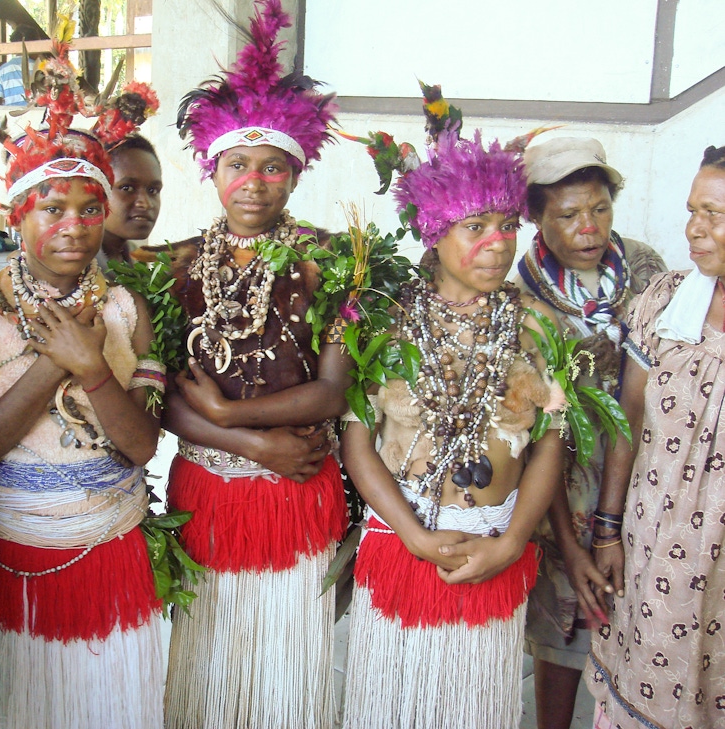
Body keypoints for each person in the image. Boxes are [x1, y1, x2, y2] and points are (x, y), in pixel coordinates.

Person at [0, 43, 164, 727]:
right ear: (16, 215)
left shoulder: (128, 308)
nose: (73, 226)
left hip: (111, 540)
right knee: (33, 705)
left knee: (111, 701)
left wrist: (95, 366)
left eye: (90, 206)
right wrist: (57, 360)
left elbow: (142, 446)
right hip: (20, 551)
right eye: (51, 207)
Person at [339, 94, 567, 729]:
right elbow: (358, 442)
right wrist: (411, 534)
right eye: (476, 228)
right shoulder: (384, 323)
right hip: (400, 540)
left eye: (507, 227)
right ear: (433, 231)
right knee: (392, 701)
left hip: (496, 542)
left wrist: (515, 540)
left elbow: (552, 443)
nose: (498, 244)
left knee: (473, 703)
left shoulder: (535, 325)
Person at [163, 1, 349, 726]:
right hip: (207, 489)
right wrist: (245, 440)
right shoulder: (176, 266)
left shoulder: (334, 262)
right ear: (212, 169)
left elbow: (331, 392)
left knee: (284, 659)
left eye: (274, 167)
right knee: (209, 653)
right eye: (237, 164)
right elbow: (162, 401)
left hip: (297, 490)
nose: (255, 182)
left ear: (296, 175)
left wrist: (230, 410)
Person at [514, 137, 667, 729]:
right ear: (535, 216)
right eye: (569, 214)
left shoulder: (648, 272)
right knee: (562, 622)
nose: (589, 228)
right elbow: (531, 431)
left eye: (600, 209)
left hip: (643, 478)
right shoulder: (522, 296)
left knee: (636, 611)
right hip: (557, 488)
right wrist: (573, 541)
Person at [586, 145, 725, 729]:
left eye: (714, 215)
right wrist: (608, 528)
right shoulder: (667, 301)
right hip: (655, 548)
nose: (693, 229)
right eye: (692, 210)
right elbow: (630, 413)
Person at [98, 134, 162, 268]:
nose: (146, 204)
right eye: (127, 188)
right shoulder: (73, 268)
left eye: (153, 190)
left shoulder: (137, 260)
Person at [0, 24, 41, 106]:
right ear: (34, 46)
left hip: (12, 116)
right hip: (36, 114)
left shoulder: (3, 70)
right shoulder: (39, 68)